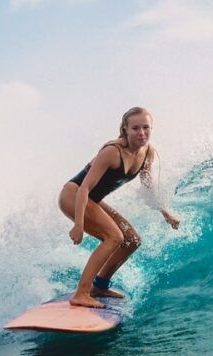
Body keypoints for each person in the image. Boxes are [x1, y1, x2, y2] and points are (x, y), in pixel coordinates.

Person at [60, 106, 180, 308]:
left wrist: (166, 213)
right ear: (125, 129)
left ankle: (99, 285)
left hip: (92, 200)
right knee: (115, 237)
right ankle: (81, 293)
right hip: (74, 195)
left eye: (146, 127)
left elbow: (148, 189)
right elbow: (84, 188)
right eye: (135, 128)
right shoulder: (112, 152)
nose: (141, 133)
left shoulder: (148, 153)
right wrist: (78, 225)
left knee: (132, 240)